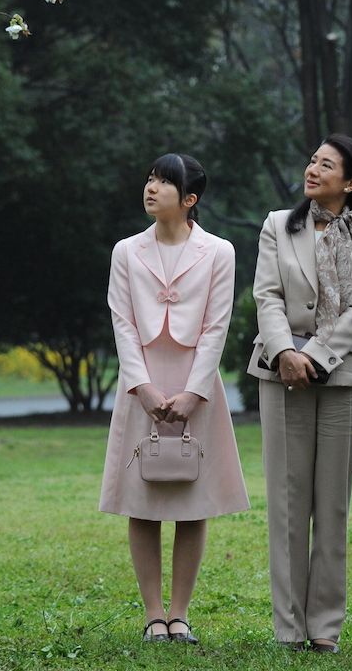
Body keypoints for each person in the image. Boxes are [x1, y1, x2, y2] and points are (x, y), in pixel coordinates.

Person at [99, 153, 249, 644]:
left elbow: (216, 325)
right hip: (140, 382)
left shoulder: (219, 251)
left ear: (189, 200)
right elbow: (122, 322)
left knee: (192, 497)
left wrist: (194, 391)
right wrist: (140, 386)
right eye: (149, 178)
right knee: (140, 498)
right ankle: (152, 615)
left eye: (164, 182)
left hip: (195, 382)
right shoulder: (126, 251)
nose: (151, 188)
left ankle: (180, 614)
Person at [248, 134, 352, 654]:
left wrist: (316, 357)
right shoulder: (276, 225)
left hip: (344, 377)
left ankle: (324, 627)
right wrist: (286, 353)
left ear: (350, 182)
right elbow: (267, 295)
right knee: (287, 506)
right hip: (279, 372)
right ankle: (288, 628)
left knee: (332, 507)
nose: (312, 169)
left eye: (325, 165)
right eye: (311, 160)